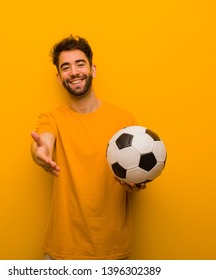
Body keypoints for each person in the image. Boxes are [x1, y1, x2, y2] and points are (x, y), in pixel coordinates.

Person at [30, 35, 146, 260]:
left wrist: (137, 182)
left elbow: (136, 173)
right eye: (66, 67)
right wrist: (40, 153)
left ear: (93, 69)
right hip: (62, 252)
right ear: (59, 77)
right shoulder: (52, 118)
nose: (73, 71)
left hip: (113, 252)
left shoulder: (124, 120)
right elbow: (43, 142)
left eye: (79, 64)